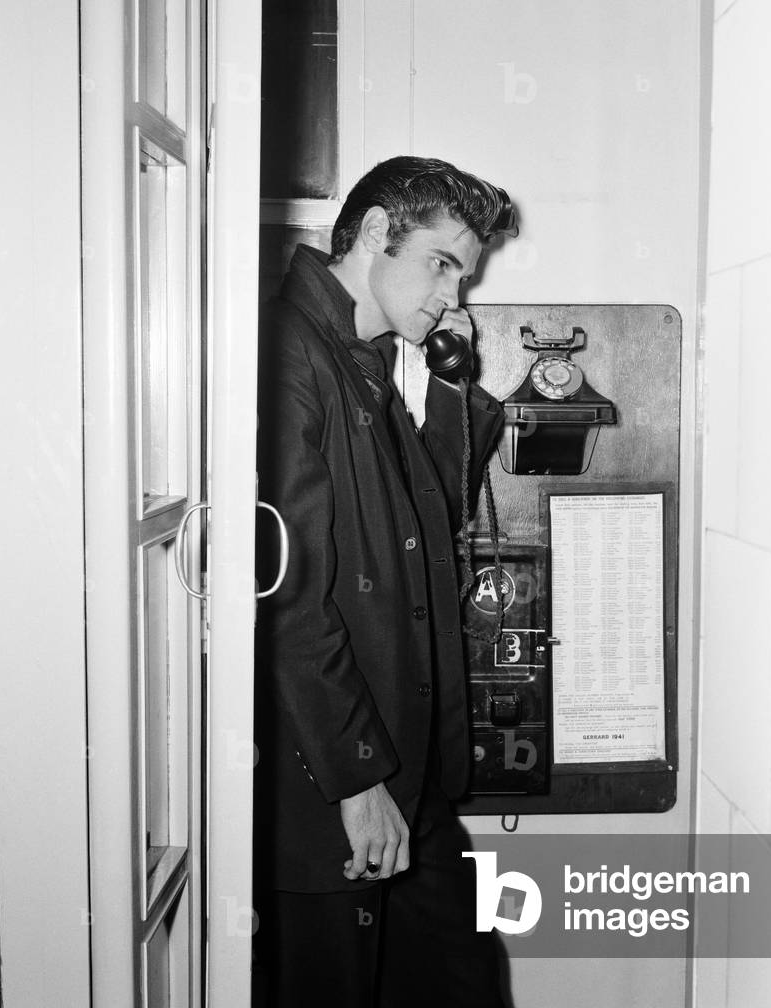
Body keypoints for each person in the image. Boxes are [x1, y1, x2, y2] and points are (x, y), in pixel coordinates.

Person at [253, 156, 513, 1007]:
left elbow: (426, 521)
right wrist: (358, 781)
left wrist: (449, 386)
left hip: (404, 763)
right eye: (440, 263)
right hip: (336, 779)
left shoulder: (359, 361)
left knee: (462, 977)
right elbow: (285, 597)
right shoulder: (287, 353)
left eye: (462, 276)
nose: (451, 296)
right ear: (373, 233)